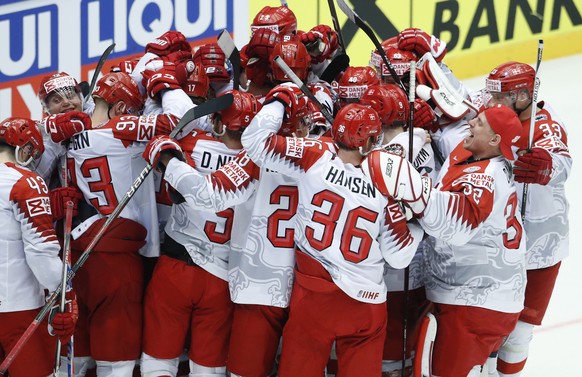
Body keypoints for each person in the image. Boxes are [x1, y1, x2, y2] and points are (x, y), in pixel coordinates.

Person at [240, 86, 424, 376]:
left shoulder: (316, 154)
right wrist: (416, 224)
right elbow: (399, 257)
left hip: (313, 298)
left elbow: (254, 141)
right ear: (371, 142)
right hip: (364, 305)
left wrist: (280, 98)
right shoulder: (385, 185)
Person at [144, 84, 318, 377]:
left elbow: (205, 193)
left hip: (249, 282)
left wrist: (167, 158)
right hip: (307, 285)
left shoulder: (246, 158)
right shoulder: (329, 155)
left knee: (165, 364)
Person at [363, 104, 527, 376]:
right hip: (482, 295)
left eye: (480, 122)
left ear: (495, 140)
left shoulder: (484, 178)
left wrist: (414, 192)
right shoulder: (481, 156)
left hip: (476, 300)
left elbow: (457, 224)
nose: (471, 123)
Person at [58, 71, 179, 377]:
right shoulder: (121, 130)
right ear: (122, 109)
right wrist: (163, 81)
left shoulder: (68, 140)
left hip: (79, 248)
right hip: (116, 250)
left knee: (77, 357)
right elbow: (178, 118)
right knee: (118, 360)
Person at [140, 91, 261, 377]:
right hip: (223, 277)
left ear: (218, 123)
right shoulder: (262, 162)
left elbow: (157, 140)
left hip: (176, 267)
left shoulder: (189, 145)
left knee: (159, 361)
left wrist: (163, 148)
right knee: (209, 368)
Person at [483, 62, 571, 377]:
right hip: (499, 243)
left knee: (520, 333)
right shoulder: (491, 117)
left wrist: (547, 167)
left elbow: (562, 161)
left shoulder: (544, 125)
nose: (491, 102)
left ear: (522, 96)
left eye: (500, 96)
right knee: (490, 325)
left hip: (541, 247)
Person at [360, 84, 435, 376]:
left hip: (386, 270)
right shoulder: (423, 144)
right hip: (419, 267)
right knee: (404, 356)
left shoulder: (379, 157)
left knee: (386, 359)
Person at [0, 117, 77, 376]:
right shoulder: (25, 182)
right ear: (25, 149)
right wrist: (65, 294)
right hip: (17, 308)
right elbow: (41, 253)